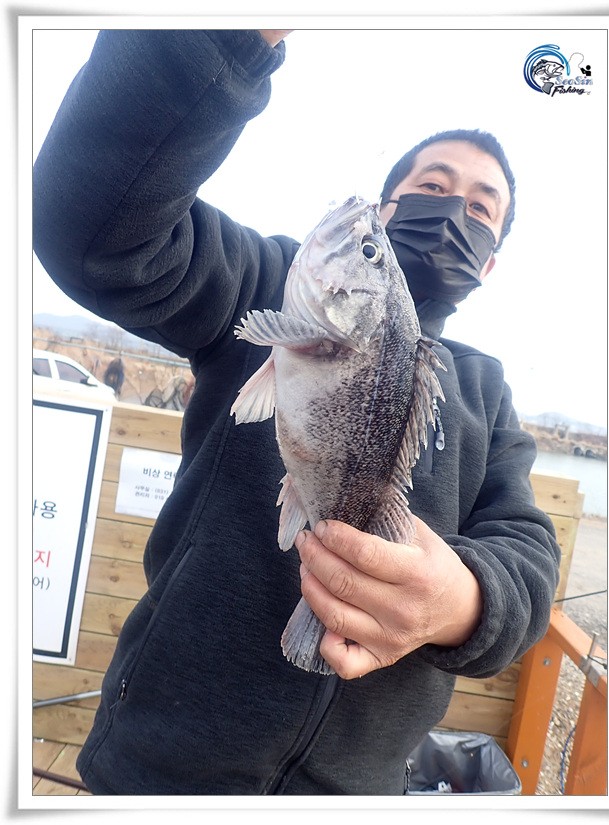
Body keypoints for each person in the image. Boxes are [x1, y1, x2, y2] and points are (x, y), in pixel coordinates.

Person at [33, 29, 561, 796]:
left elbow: (528, 550)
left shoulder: (487, 389)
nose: (454, 210)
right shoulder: (268, 283)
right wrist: (223, 34)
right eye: (433, 186)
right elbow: (97, 231)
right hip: (159, 772)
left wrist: (463, 600)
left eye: (481, 207)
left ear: (488, 262)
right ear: (386, 208)